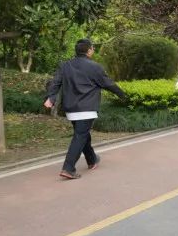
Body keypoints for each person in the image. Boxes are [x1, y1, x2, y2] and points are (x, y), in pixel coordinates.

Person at [44, 38, 128, 180]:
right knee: (80, 136)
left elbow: (55, 83)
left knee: (82, 134)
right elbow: (108, 84)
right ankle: (68, 168)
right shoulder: (95, 67)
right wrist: (123, 95)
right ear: (89, 50)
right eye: (93, 48)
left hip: (71, 109)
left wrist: (51, 98)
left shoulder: (65, 66)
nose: (93, 50)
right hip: (87, 109)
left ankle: (92, 159)